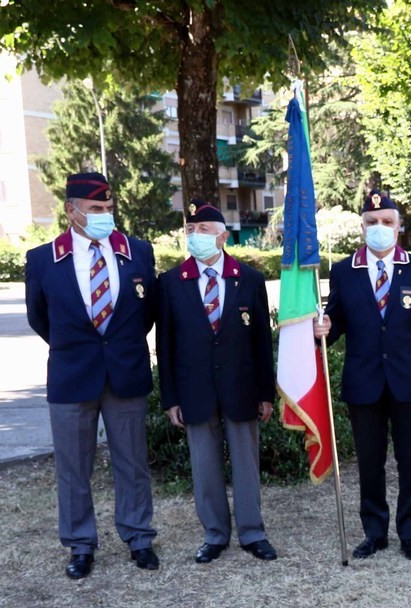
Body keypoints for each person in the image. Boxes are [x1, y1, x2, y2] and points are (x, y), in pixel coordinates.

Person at [25, 172, 159, 579]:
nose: (105, 216)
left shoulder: (137, 252)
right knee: (73, 467)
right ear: (72, 210)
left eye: (109, 208)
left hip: (125, 373)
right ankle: (80, 544)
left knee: (133, 462)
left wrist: (116, 346)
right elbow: (39, 318)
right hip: (72, 377)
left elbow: (146, 312)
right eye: (96, 209)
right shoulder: (43, 259)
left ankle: (138, 537)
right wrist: (79, 349)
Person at [312, 192, 411, 562]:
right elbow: (335, 320)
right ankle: (374, 531)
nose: (380, 228)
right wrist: (323, 328)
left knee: (410, 462)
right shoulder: (344, 270)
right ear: (362, 228)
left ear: (400, 227)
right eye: (372, 222)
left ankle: (410, 533)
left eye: (387, 222)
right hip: (364, 382)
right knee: (370, 463)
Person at [156, 200, 278, 564]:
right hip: (194, 391)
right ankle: (214, 534)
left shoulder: (250, 279)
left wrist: (265, 393)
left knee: (245, 463)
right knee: (205, 467)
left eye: (204, 230)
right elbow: (165, 346)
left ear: (223, 236)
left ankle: (252, 532)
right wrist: (170, 398)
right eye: (190, 230)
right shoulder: (171, 283)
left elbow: (261, 341)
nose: (195, 236)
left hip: (241, 388)